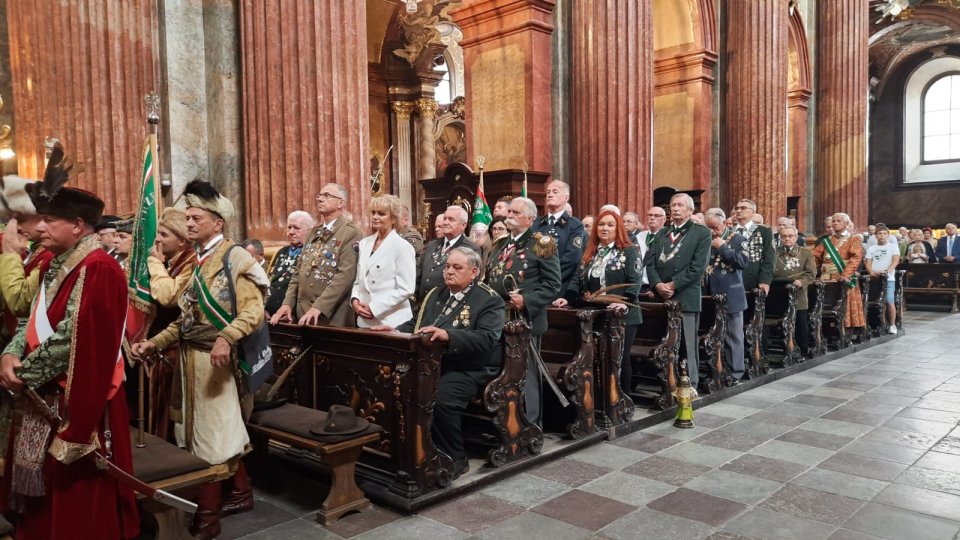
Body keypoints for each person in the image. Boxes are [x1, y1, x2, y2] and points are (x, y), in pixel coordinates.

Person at [0, 146, 139, 539]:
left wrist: (21, 373)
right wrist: (10, 355)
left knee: (76, 501)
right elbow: (30, 314)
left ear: (78, 225)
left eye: (49, 220)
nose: (38, 228)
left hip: (73, 401)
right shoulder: (54, 260)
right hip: (38, 393)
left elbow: (74, 343)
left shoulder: (99, 268)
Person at [131, 180, 268, 539]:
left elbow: (254, 312)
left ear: (217, 222)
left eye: (196, 218)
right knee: (193, 434)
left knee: (213, 439)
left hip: (217, 365)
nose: (188, 224)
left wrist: (227, 336)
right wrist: (155, 343)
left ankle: (207, 521)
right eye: (188, 218)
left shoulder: (235, 257)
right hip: (190, 361)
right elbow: (185, 319)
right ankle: (234, 495)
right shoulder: (198, 261)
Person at [374, 247, 504, 479]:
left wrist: (448, 336)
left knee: (441, 398)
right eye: (447, 266)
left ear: (474, 272)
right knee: (393, 386)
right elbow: (417, 323)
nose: (449, 272)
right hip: (433, 363)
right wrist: (395, 330)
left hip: (471, 367)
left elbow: (487, 339)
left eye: (457, 267)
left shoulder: (488, 299)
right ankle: (415, 450)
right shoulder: (437, 293)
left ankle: (456, 458)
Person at [484, 197, 560, 426]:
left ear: (530, 218)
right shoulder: (499, 244)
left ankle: (532, 424)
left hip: (525, 319)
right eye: (509, 212)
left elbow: (553, 285)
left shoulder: (542, 243)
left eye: (515, 213)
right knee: (504, 371)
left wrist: (526, 300)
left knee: (528, 375)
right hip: (499, 318)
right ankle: (509, 421)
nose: (509, 216)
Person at [553, 210, 640, 389]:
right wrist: (567, 298)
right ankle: (601, 399)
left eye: (610, 225)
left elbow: (634, 280)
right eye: (601, 224)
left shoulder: (629, 251)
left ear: (618, 228)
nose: (605, 228)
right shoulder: (590, 252)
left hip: (624, 314)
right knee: (598, 358)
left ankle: (621, 400)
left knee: (619, 359)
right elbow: (577, 278)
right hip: (597, 313)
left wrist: (625, 303)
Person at [271, 183, 362, 327]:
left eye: (326, 196)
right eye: (319, 196)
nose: (320, 199)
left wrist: (319, 307)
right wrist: (287, 304)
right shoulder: (313, 232)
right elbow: (298, 272)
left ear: (340, 203)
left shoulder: (351, 233)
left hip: (330, 316)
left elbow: (345, 276)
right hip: (302, 313)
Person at [645, 193, 711, 386]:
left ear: (690, 210)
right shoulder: (661, 234)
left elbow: (698, 267)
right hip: (662, 297)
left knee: (687, 343)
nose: (675, 208)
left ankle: (690, 384)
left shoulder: (701, 233)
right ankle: (666, 381)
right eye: (673, 205)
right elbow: (650, 263)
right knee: (665, 341)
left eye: (680, 205)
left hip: (685, 296)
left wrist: (673, 285)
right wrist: (657, 284)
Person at [145, 207, 195, 440]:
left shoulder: (191, 261)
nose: (157, 239)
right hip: (163, 345)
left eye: (164, 235)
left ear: (183, 241)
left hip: (179, 350)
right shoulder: (174, 260)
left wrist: (155, 264)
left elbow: (169, 296)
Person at [351, 194, 416, 328]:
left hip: (392, 320)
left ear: (393, 218)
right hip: (364, 320)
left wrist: (374, 308)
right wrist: (355, 301)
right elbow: (359, 280)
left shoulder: (402, 247)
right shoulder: (364, 243)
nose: (375, 217)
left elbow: (406, 288)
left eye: (381, 214)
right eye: (373, 213)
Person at [702, 208, 749, 384]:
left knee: (733, 335)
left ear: (724, 222)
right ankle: (715, 368)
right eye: (709, 227)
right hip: (709, 294)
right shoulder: (705, 240)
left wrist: (722, 247)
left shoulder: (738, 239)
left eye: (715, 227)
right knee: (713, 335)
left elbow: (742, 262)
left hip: (731, 294)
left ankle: (735, 372)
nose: (713, 231)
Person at [813, 212, 866, 335]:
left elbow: (856, 258)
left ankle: (846, 330)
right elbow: (815, 257)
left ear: (847, 224)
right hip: (826, 278)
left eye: (839, 221)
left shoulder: (854, 239)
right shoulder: (826, 241)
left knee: (845, 305)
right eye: (834, 221)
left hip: (844, 278)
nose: (835, 223)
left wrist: (845, 275)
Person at [534, 180, 584, 297]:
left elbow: (571, 258)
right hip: (535, 286)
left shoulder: (574, 225)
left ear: (566, 197)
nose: (550, 195)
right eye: (548, 192)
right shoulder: (536, 224)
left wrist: (548, 276)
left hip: (560, 287)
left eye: (555, 192)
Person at [772, 225, 816, 356]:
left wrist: (801, 282)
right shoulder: (774, 252)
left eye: (790, 236)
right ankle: (781, 348)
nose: (787, 239)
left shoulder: (805, 253)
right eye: (784, 236)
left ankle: (802, 350)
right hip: (777, 294)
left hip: (798, 294)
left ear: (796, 237)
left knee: (800, 323)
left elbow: (811, 274)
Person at [417, 205, 476, 302]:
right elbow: (419, 274)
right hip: (424, 306)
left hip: (449, 306)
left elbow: (470, 283)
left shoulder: (470, 248)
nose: (446, 222)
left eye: (451, 219)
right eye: (445, 219)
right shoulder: (432, 245)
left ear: (463, 225)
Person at [264, 210, 314, 315]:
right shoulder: (281, 252)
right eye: (289, 227)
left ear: (310, 231)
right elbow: (269, 281)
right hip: (269, 314)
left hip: (294, 314)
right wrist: (264, 308)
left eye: (296, 228)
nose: (291, 232)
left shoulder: (313, 254)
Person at [732, 199, 775, 295]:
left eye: (743, 208)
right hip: (733, 279)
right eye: (737, 208)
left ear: (753, 212)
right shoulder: (730, 231)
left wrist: (764, 280)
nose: (738, 211)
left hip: (754, 280)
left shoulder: (764, 230)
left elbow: (769, 258)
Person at [865, 225, 900, 334]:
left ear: (888, 235)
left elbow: (895, 261)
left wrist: (887, 271)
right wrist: (871, 272)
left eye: (884, 234)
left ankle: (892, 325)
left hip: (888, 279)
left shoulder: (893, 247)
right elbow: (868, 263)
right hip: (874, 279)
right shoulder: (871, 248)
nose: (882, 236)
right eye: (879, 234)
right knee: (872, 301)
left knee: (889, 301)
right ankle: (875, 324)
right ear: (876, 236)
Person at [636, 206, 667, 298]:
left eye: (657, 215)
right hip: (639, 285)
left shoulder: (668, 237)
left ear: (664, 219)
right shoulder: (639, 236)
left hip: (658, 286)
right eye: (650, 215)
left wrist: (656, 287)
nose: (652, 218)